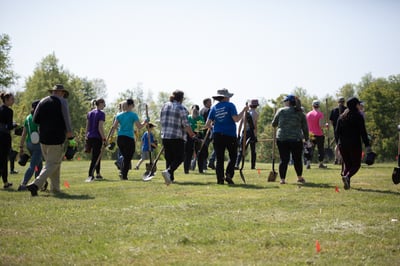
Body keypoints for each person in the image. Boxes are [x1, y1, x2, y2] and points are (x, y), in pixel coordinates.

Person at [26, 84, 74, 196]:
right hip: (56, 137)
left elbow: (35, 119)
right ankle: (36, 184)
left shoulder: (42, 101)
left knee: (52, 163)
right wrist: (70, 135)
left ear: (53, 92)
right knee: (53, 163)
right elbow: (66, 119)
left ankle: (55, 189)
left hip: (43, 137)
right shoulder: (62, 102)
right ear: (61, 93)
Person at [204, 89, 248, 185]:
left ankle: (220, 180)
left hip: (217, 135)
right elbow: (236, 119)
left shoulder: (214, 108)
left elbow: (207, 124)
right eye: (228, 96)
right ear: (225, 97)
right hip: (230, 135)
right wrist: (244, 111)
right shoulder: (230, 106)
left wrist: (214, 126)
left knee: (219, 158)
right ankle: (228, 174)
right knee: (233, 156)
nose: (229, 98)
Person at [160, 90, 196, 185]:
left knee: (169, 158)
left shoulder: (165, 106)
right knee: (180, 157)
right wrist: (192, 134)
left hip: (165, 135)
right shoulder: (181, 108)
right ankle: (169, 171)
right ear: (181, 98)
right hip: (177, 136)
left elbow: (161, 120)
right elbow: (186, 124)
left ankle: (169, 178)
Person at [335, 97, 371, 190]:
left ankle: (347, 183)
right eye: (358, 104)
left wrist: (337, 143)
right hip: (354, 144)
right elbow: (363, 132)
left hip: (342, 144)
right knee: (356, 165)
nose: (359, 106)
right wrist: (367, 145)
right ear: (355, 105)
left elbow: (337, 131)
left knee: (348, 164)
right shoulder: (358, 116)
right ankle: (347, 177)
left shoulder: (342, 116)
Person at [272, 94, 309, 184]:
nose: (284, 103)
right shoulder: (300, 112)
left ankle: (282, 179)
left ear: (288, 102)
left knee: (284, 159)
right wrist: (307, 139)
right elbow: (305, 128)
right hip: (296, 139)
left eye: (285, 101)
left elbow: (274, 124)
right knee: (297, 159)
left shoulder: (280, 111)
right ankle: (299, 177)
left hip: (282, 138)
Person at [111, 98, 146, 180]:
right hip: (129, 138)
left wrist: (111, 138)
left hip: (120, 138)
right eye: (133, 105)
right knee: (128, 157)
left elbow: (114, 127)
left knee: (125, 156)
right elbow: (139, 127)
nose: (134, 106)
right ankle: (124, 175)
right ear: (131, 105)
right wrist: (145, 122)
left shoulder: (119, 115)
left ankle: (122, 173)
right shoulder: (133, 115)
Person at [18, 100, 43, 191]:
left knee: (38, 165)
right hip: (38, 145)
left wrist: (21, 146)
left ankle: (38, 184)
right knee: (33, 166)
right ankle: (23, 184)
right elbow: (41, 131)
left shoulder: (28, 118)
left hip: (29, 144)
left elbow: (24, 133)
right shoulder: (40, 118)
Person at [85, 98, 107, 181]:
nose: (104, 105)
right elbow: (100, 127)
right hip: (97, 137)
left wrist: (86, 136)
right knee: (95, 156)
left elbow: (87, 126)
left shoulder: (90, 113)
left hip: (90, 136)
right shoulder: (101, 114)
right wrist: (104, 138)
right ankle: (90, 174)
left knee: (98, 155)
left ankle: (98, 173)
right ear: (100, 103)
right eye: (104, 104)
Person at [235, 99, 259, 170]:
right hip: (251, 132)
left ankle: (237, 164)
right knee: (253, 150)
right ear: (256, 106)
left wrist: (238, 134)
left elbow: (240, 124)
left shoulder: (245, 113)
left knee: (241, 149)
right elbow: (255, 126)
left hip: (244, 131)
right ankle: (253, 166)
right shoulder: (256, 114)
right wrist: (255, 135)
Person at [0, 91, 16, 189]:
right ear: (6, 100)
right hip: (4, 137)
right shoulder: (9, 111)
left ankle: (5, 182)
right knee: (4, 160)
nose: (13, 101)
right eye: (12, 99)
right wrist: (15, 125)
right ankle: (5, 182)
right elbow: (9, 126)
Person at [184, 104, 205, 174]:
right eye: (193, 110)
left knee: (200, 153)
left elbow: (200, 129)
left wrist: (200, 138)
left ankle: (201, 170)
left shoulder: (200, 118)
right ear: (191, 110)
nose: (195, 111)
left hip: (197, 135)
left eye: (196, 110)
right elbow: (185, 127)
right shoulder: (188, 117)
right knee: (188, 153)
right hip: (188, 136)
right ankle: (186, 170)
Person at [306, 100, 327, 169]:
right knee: (320, 149)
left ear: (312, 105)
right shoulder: (320, 114)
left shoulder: (308, 114)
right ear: (319, 105)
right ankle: (321, 164)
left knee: (310, 149)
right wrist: (326, 125)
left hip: (310, 134)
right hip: (319, 134)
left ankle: (308, 163)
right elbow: (320, 125)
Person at [329, 97, 347, 164]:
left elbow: (331, 121)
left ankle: (336, 159)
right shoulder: (346, 110)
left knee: (337, 145)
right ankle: (341, 159)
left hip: (336, 130)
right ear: (344, 102)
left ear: (338, 102)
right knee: (343, 145)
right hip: (345, 130)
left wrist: (335, 127)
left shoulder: (334, 110)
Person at [200, 98, 213, 170]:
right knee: (205, 148)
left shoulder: (201, 110)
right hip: (207, 131)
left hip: (201, 131)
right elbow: (211, 120)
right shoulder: (208, 110)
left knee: (203, 148)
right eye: (209, 102)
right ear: (206, 103)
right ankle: (204, 164)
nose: (211, 104)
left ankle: (203, 164)